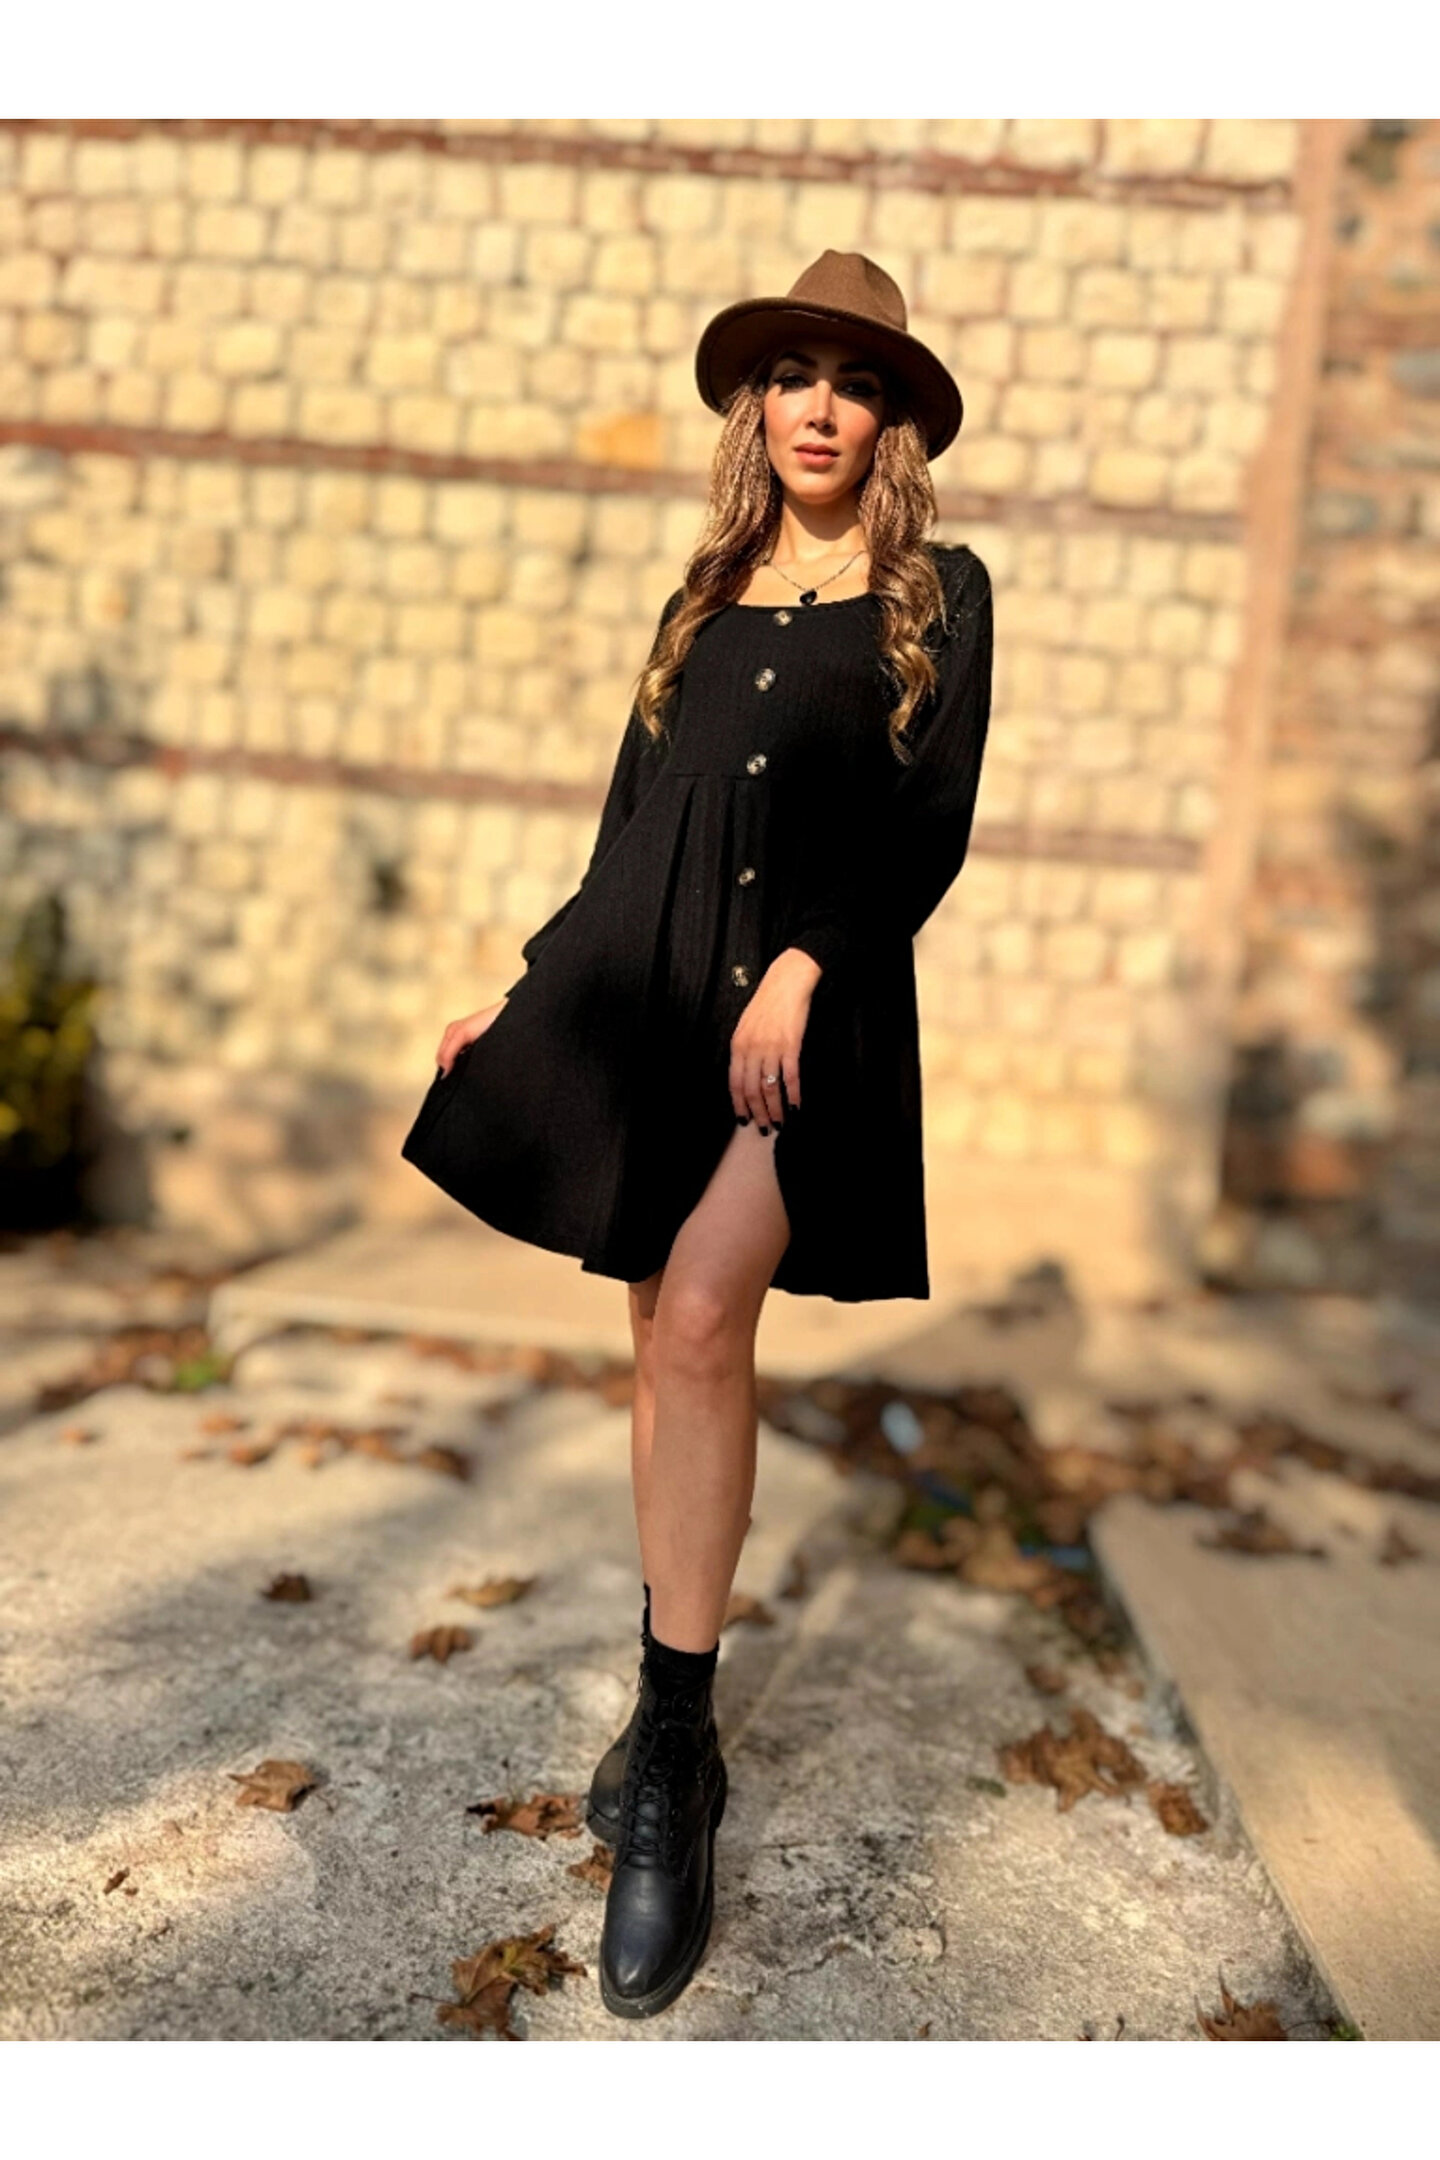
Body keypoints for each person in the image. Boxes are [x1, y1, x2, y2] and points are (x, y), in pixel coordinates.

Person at [401, 250, 993, 2020]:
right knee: (659, 1336)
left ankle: (674, 1751)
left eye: (857, 383)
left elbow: (927, 829)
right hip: (652, 1005)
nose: (822, 406)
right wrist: (526, 997)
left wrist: (805, 965)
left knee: (707, 1314)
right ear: (759, 405)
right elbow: (626, 830)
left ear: (890, 424)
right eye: (796, 374)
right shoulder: (705, 595)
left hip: (807, 1023)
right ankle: (677, 1701)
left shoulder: (940, 594)